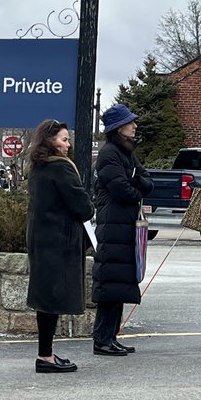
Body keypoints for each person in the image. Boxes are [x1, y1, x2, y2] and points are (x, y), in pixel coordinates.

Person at [25, 120, 95, 373]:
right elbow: (83, 206)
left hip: (41, 239)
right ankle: (45, 356)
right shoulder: (61, 167)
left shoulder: (37, 167)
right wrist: (89, 205)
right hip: (59, 241)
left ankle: (46, 353)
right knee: (52, 299)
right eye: (64, 139)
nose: (68, 145)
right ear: (50, 140)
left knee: (46, 298)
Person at [91, 104, 154, 357]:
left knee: (118, 286)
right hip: (112, 227)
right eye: (130, 122)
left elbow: (148, 181)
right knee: (110, 285)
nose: (135, 126)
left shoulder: (126, 152)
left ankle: (111, 337)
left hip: (125, 227)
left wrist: (137, 182)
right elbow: (122, 190)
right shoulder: (109, 153)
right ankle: (101, 339)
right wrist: (137, 188)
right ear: (118, 128)